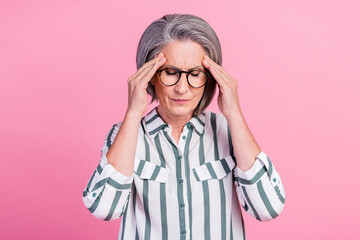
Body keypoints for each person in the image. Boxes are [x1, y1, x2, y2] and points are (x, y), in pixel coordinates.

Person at [82, 13, 285, 240]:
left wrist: (234, 113)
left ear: (210, 77)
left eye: (195, 74)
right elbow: (104, 209)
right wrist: (133, 113)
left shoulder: (229, 132)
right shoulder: (124, 135)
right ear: (149, 76)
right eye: (171, 72)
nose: (182, 88)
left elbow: (267, 208)